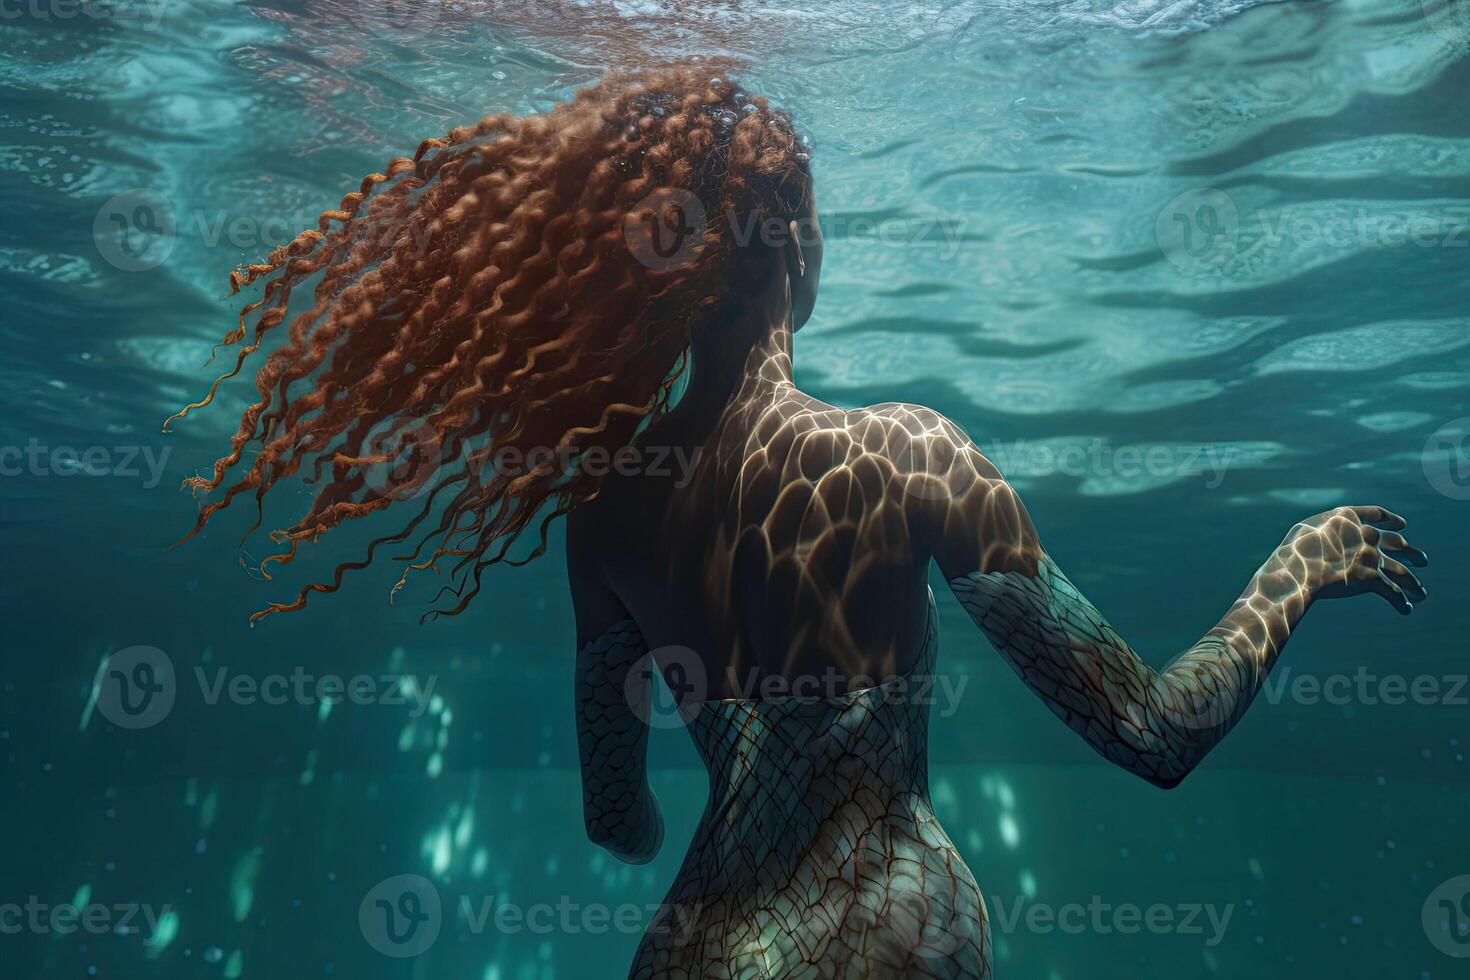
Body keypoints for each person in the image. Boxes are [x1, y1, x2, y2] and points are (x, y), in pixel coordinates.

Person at [171, 69, 1428, 979]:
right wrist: (1298, 567)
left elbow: (617, 813)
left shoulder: (605, 511)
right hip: (891, 927)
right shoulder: (907, 455)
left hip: (693, 945)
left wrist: (683, 803)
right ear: (804, 253)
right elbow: (1153, 731)